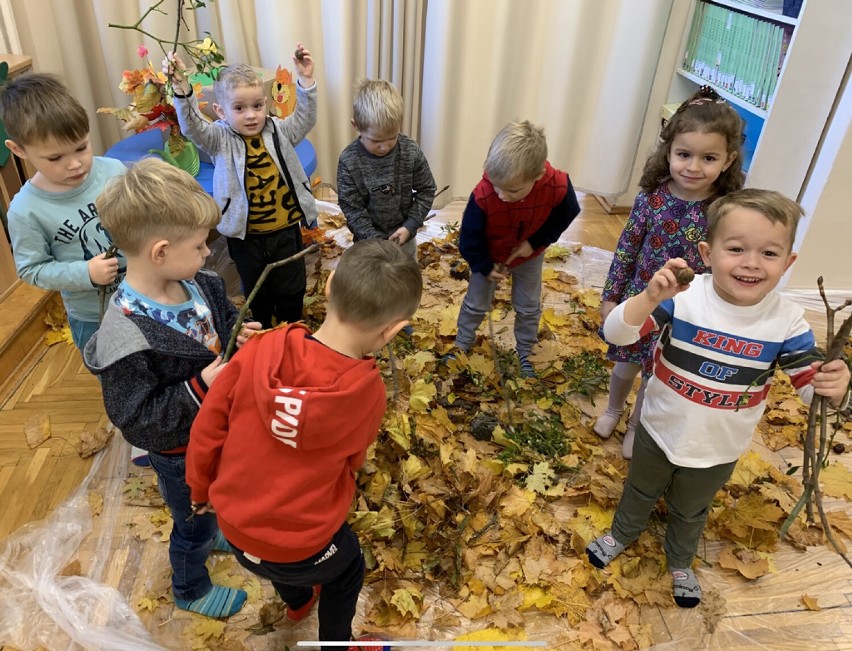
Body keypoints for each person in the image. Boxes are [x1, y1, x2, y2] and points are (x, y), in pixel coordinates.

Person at [585, 189, 851, 609]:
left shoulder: (786, 322)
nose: (750, 262)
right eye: (736, 249)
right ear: (707, 254)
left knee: (692, 509)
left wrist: (833, 385)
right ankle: (622, 532)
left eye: (768, 253)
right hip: (659, 428)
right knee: (639, 489)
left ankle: (680, 561)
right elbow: (617, 335)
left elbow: (808, 386)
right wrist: (649, 297)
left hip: (718, 448)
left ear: (788, 262)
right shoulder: (684, 299)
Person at [185, 239, 422, 649]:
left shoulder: (263, 347)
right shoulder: (367, 392)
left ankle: (296, 604)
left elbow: (208, 427)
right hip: (305, 545)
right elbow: (353, 460)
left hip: (236, 529)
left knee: (279, 565)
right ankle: (334, 642)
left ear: (328, 286)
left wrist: (200, 491)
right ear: (394, 331)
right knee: (347, 573)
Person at [83, 158, 261, 618]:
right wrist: (200, 388)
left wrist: (234, 334)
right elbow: (137, 419)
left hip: (216, 434)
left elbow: (213, 327)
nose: (208, 254)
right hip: (181, 455)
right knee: (190, 525)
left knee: (212, 501)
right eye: (201, 245)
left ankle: (211, 517)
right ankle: (190, 587)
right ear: (160, 251)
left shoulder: (197, 282)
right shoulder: (126, 336)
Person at [0, 73, 155, 468]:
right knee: (117, 376)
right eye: (55, 158)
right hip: (94, 314)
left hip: (142, 296)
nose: (75, 164)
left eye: (81, 147)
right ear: (18, 150)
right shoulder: (26, 210)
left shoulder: (111, 171)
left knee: (152, 359)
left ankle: (159, 417)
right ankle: (136, 431)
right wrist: (83, 272)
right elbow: (33, 271)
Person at [595, 85, 745, 459]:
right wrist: (611, 297)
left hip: (683, 313)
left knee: (655, 374)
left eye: (708, 158)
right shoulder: (651, 197)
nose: (694, 167)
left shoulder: (723, 211)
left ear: (727, 160)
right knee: (626, 364)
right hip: (640, 299)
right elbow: (627, 247)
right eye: (684, 154)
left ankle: (636, 425)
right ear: (669, 152)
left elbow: (725, 262)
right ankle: (613, 409)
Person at [169, 45, 318, 329]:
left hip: (285, 231)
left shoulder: (278, 131)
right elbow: (192, 127)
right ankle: (261, 332)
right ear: (220, 111)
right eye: (239, 108)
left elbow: (305, 119)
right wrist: (181, 89)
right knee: (257, 291)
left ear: (265, 104)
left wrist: (306, 81)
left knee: (291, 286)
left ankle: (292, 331)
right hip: (245, 236)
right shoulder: (219, 139)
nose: (251, 115)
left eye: (257, 106)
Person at [451, 119, 580, 377]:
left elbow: (567, 213)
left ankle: (525, 354)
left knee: (528, 306)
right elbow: (468, 240)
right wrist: (484, 266)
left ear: (538, 176)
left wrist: (534, 243)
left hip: (528, 256)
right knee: (476, 303)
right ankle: (461, 345)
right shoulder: (484, 194)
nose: (501, 194)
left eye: (511, 190)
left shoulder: (557, 186)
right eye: (495, 185)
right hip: (488, 254)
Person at [337, 78, 437, 259]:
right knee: (370, 284)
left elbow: (427, 189)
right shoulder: (349, 161)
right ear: (356, 126)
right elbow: (352, 208)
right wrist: (374, 239)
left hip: (404, 238)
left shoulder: (410, 151)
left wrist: (411, 225)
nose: (384, 147)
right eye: (375, 141)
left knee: (404, 282)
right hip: (367, 243)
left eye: (392, 138)